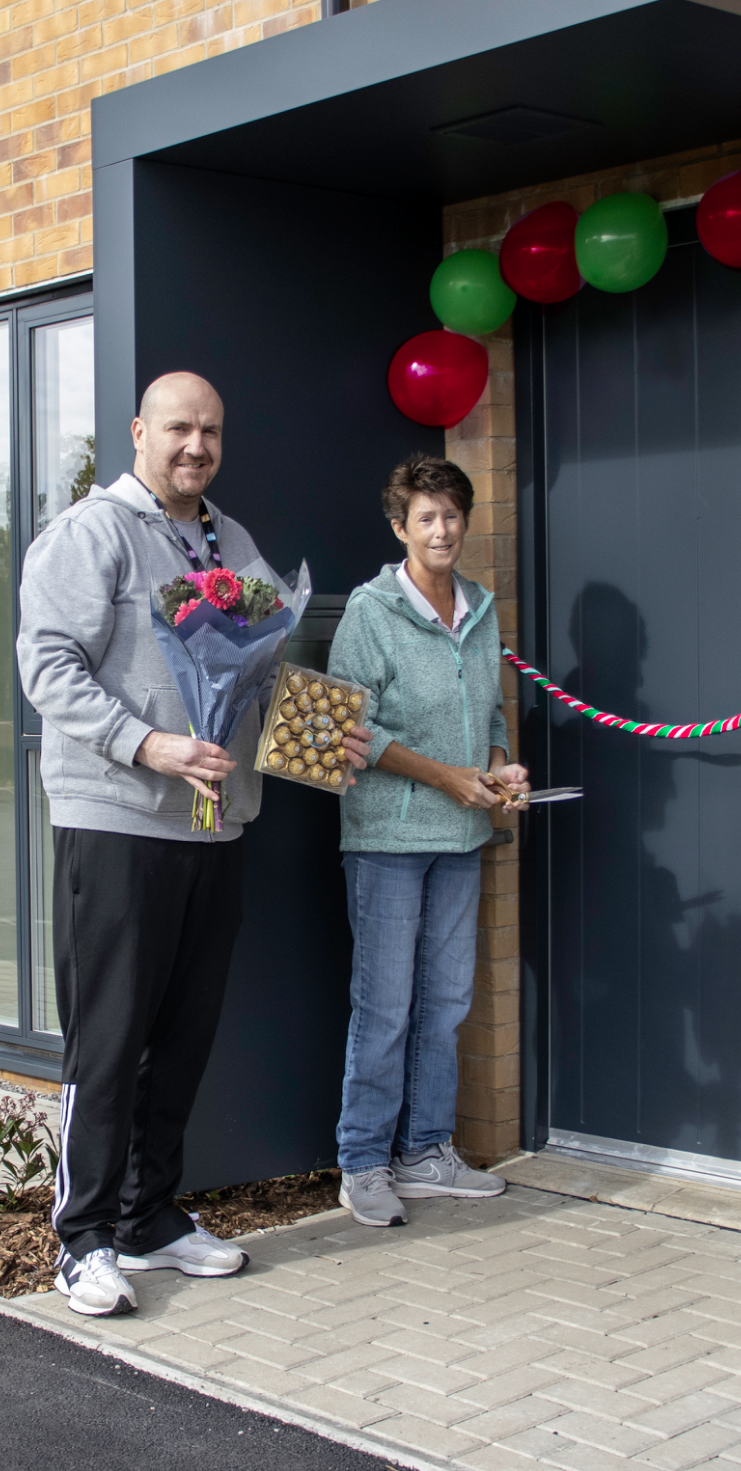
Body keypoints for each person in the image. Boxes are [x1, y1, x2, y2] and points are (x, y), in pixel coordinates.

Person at [16, 372, 370, 1317]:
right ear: (139, 431)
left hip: (217, 827)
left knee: (181, 1038)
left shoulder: (234, 541)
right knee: (111, 1038)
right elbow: (47, 669)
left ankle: (150, 1217)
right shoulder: (90, 537)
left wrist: (319, 734)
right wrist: (150, 743)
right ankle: (83, 1238)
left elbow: (251, 686)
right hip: (118, 821)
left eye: (211, 431)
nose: (195, 447)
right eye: (178, 428)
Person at [323, 455, 522, 1227]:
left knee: (446, 1003)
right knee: (386, 1008)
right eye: (426, 518)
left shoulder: (480, 607)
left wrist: (501, 772)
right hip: (387, 836)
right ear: (400, 528)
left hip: (464, 832)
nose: (442, 530)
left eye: (452, 515)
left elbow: (496, 718)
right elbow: (348, 732)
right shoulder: (373, 611)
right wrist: (445, 776)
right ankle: (364, 1162)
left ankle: (426, 1152)